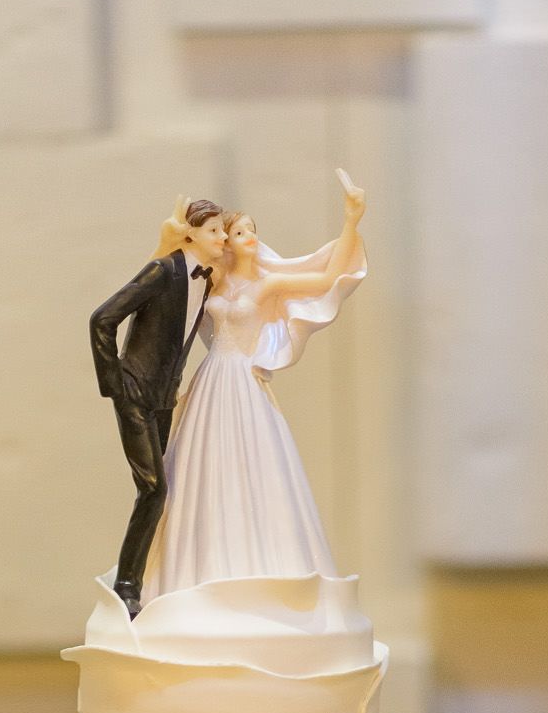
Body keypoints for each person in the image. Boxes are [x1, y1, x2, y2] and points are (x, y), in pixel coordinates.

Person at [142, 168, 366, 603]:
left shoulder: (269, 283)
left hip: (244, 380)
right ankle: (197, 568)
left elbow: (325, 279)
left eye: (251, 230)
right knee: (201, 466)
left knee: (253, 464)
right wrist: (171, 235)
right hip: (211, 382)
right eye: (239, 230)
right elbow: (159, 276)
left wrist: (351, 221)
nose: (247, 236)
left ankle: (255, 565)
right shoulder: (209, 280)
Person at [88, 198, 229, 617]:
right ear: (191, 234)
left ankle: (154, 574)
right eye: (214, 231)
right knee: (154, 488)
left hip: (165, 396)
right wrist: (115, 385)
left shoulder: (206, 279)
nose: (222, 237)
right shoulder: (163, 270)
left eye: (224, 230)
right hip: (134, 393)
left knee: (160, 490)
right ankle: (127, 586)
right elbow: (102, 318)